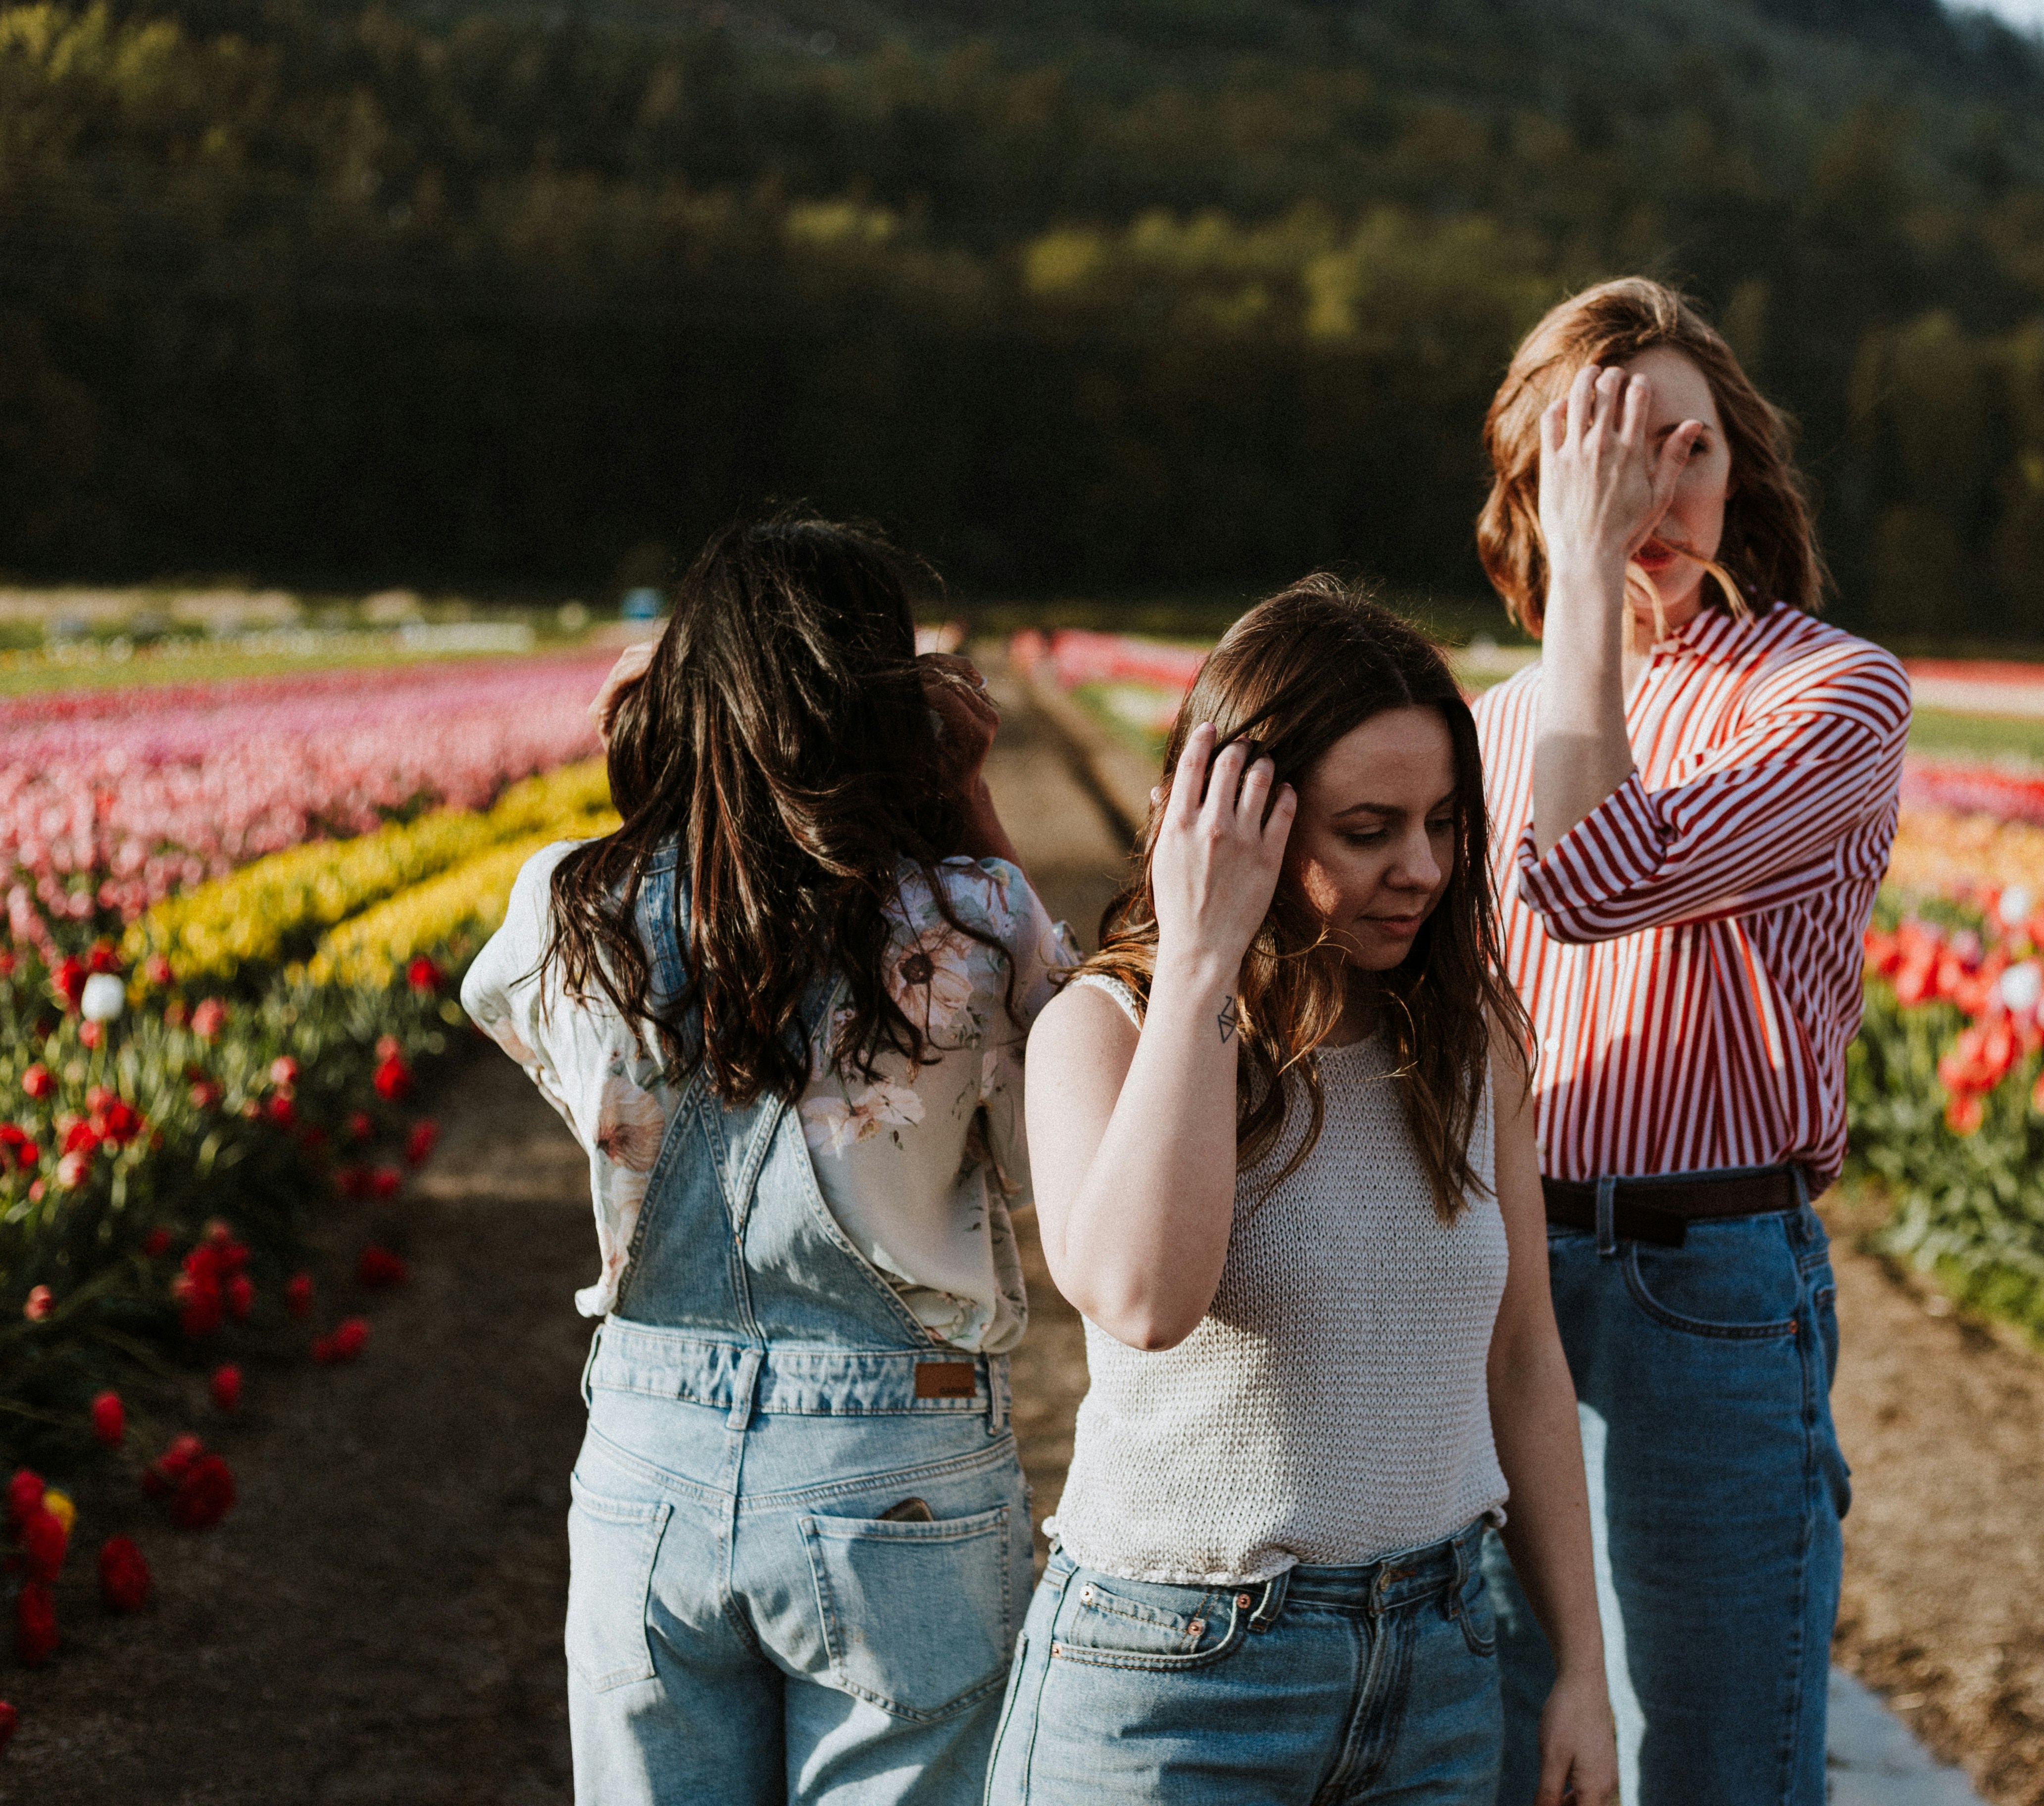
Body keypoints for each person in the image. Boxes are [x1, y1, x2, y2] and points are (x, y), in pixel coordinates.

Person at [462, 517, 1068, 1805]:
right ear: (897, 707)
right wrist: (966, 799)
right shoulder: (972, 921)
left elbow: (521, 1019)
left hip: (646, 1458)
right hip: (897, 1467)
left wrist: (660, 765)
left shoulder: (568, 906)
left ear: (680, 695)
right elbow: (1051, 1140)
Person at [988, 578, 1619, 1806]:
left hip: (1437, 1670)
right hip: (1179, 1684)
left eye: (1443, 821)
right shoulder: (1104, 1030)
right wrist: (1204, 958)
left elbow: (1524, 1357)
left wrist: (1581, 1667)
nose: (1424, 868)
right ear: (1242, 827)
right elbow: (1142, 1296)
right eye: (1369, 830)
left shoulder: (1463, 1037)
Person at [1468, 279, 1913, 1806]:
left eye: (1692, 448)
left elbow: (1593, 880)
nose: (1659, 487)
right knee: (1519, 1750)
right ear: (1534, 477)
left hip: (1706, 1291)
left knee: (1721, 1764)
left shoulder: (1833, 695)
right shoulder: (1485, 727)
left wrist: (1584, 587)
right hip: (1501, 1281)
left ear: (1744, 473)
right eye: (1609, 448)